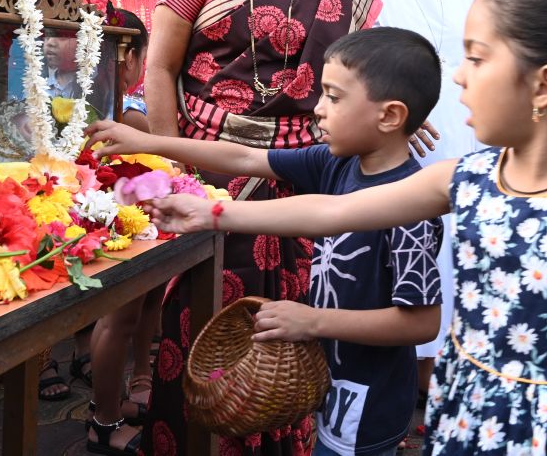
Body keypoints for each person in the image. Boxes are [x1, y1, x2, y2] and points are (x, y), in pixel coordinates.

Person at [139, 0, 547, 455]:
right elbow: (330, 213)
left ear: (544, 85)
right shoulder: (466, 179)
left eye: (476, 58)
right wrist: (214, 214)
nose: (457, 78)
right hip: (471, 426)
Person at [89, 27, 443, 456]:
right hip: (331, 383)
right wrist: (149, 141)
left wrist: (313, 321)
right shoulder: (339, 164)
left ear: (389, 116)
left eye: (334, 97)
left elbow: (421, 323)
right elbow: (245, 156)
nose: (318, 109)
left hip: (369, 404)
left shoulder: (411, 210)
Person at [142, 0, 381, 455]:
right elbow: (159, 67)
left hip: (298, 172)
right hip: (208, 169)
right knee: (196, 320)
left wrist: (394, 111)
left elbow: (363, 70)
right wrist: (172, 168)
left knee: (288, 325)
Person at [351, 0, 479, 395]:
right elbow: (353, 66)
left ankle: (443, 373)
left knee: (454, 246)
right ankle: (398, 377)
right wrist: (395, 115)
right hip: (399, 131)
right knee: (406, 246)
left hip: (463, 126)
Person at [84, 9, 155, 455]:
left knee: (121, 316)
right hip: (116, 222)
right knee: (117, 319)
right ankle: (104, 423)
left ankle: (108, 406)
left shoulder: (90, 102)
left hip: (114, 219)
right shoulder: (125, 115)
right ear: (128, 56)